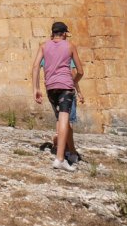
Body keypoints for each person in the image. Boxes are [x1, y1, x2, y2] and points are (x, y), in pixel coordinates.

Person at [31, 21, 84, 172]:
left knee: (61, 120)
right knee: (64, 119)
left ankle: (72, 152)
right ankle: (60, 159)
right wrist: (73, 82)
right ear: (65, 33)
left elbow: (35, 67)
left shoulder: (43, 45)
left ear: (53, 33)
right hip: (65, 87)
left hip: (50, 88)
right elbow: (80, 71)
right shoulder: (70, 46)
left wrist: (36, 88)